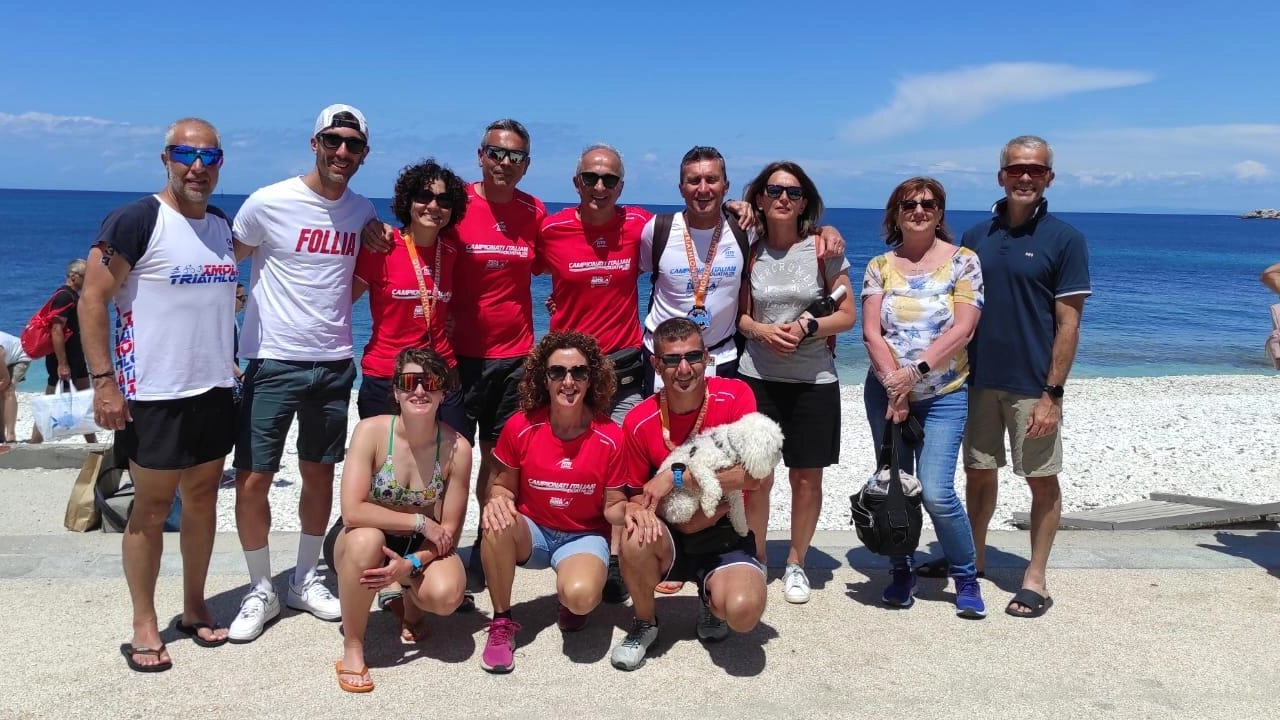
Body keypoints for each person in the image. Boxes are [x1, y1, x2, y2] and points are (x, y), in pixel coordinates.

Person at [78, 117, 239, 671]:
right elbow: (92, 299)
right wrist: (104, 384)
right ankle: (144, 623)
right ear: (165, 158)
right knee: (149, 511)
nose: (197, 167)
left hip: (215, 389)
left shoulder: (220, 225)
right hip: (153, 394)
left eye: (209, 157)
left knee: (202, 501)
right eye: (184, 154)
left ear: (220, 163)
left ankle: (194, 606)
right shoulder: (136, 220)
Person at [639, 147, 846, 575]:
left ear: (727, 187)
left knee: (729, 465)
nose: (702, 188)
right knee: (668, 455)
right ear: (679, 186)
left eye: (712, 180)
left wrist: (828, 231)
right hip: (678, 362)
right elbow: (628, 278)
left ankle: (755, 556)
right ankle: (668, 553)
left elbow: (837, 302)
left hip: (731, 363)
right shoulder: (660, 231)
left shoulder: (743, 232)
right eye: (693, 180)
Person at [228, 104, 379, 643]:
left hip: (336, 363)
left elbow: (362, 273)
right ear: (314, 143)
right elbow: (224, 269)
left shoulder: (362, 213)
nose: (342, 153)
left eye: (353, 145)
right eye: (333, 141)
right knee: (253, 477)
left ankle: (302, 578)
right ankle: (259, 587)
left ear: (363, 154)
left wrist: (339, 309)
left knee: (319, 474)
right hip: (271, 362)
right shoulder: (268, 203)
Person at [958, 135, 1091, 618]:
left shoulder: (1065, 239)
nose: (1026, 177)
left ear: (1049, 177)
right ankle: (972, 558)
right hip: (977, 380)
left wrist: (1052, 394)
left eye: (1035, 170)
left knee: (1041, 480)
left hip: (1033, 385)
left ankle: (1035, 577)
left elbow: (1068, 323)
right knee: (978, 473)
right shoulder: (975, 236)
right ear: (1001, 176)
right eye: (1016, 169)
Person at [606, 317, 768, 671]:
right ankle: (645, 622)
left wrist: (678, 476)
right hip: (671, 538)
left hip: (723, 532)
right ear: (655, 363)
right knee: (634, 532)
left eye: (693, 357)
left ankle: (711, 602)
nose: (684, 369)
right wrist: (640, 512)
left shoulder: (735, 395)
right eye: (671, 359)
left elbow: (756, 476)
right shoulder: (638, 420)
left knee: (743, 613)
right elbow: (631, 496)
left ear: (707, 357)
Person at [861, 177, 986, 618]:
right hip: (886, 393)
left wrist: (913, 374)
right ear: (895, 213)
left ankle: (966, 575)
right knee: (895, 487)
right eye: (909, 204)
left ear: (940, 211)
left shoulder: (964, 262)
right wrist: (894, 384)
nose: (919, 210)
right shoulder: (879, 265)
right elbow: (872, 332)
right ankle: (901, 568)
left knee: (935, 492)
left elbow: (963, 329)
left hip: (943, 393)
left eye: (928, 203)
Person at [536, 144, 652, 604]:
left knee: (622, 468)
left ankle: (620, 561)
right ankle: (569, 548)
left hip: (623, 364)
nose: (599, 187)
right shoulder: (552, 229)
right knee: (573, 460)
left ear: (622, 185)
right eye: (590, 178)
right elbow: (501, 266)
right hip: (567, 370)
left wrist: (740, 207)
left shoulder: (642, 225)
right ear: (575, 182)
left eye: (609, 180)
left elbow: (699, 229)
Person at [736, 161, 854, 604]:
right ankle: (758, 556)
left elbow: (846, 314)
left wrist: (808, 328)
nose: (784, 198)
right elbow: (743, 315)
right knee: (757, 477)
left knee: (806, 479)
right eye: (774, 190)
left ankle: (797, 562)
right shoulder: (748, 248)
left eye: (794, 192)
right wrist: (763, 331)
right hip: (759, 377)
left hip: (814, 379)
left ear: (806, 201)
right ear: (760, 198)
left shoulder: (823, 249)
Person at [477, 331, 624, 673]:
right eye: (557, 372)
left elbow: (615, 504)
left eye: (579, 372)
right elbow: (501, 487)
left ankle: (569, 600)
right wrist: (496, 499)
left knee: (581, 597)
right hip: (534, 533)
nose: (568, 381)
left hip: (583, 535)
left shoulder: (611, 436)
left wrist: (635, 511)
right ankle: (501, 622)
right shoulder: (521, 426)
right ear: (544, 378)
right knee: (496, 521)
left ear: (592, 378)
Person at [332, 347, 471, 692]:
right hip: (360, 539)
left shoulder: (458, 448)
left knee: (447, 594)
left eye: (430, 383)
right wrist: (419, 523)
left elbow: (449, 531)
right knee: (367, 541)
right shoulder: (371, 431)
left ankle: (408, 602)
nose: (420, 391)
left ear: (442, 392)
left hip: (416, 550)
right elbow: (352, 510)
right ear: (395, 391)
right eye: (409, 382)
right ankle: (353, 646)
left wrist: (410, 563)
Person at [353, 159, 468, 432]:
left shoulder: (452, 253)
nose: (433, 206)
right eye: (424, 196)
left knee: (452, 454)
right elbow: (341, 303)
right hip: (387, 373)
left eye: (443, 200)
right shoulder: (381, 246)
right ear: (408, 201)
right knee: (387, 464)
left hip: (442, 372)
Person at [30, 258, 97, 444]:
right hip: (63, 358)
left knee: (84, 399)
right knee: (50, 401)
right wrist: (62, 363)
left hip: (76, 356)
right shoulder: (64, 296)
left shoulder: (73, 296)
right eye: (86, 276)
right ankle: (34, 444)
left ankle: (93, 444)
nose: (88, 280)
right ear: (73, 276)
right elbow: (56, 330)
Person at [0, 331, 31, 443]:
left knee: (8, 389)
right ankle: (0, 435)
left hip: (20, 355)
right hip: (5, 358)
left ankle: (10, 435)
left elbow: (4, 379)